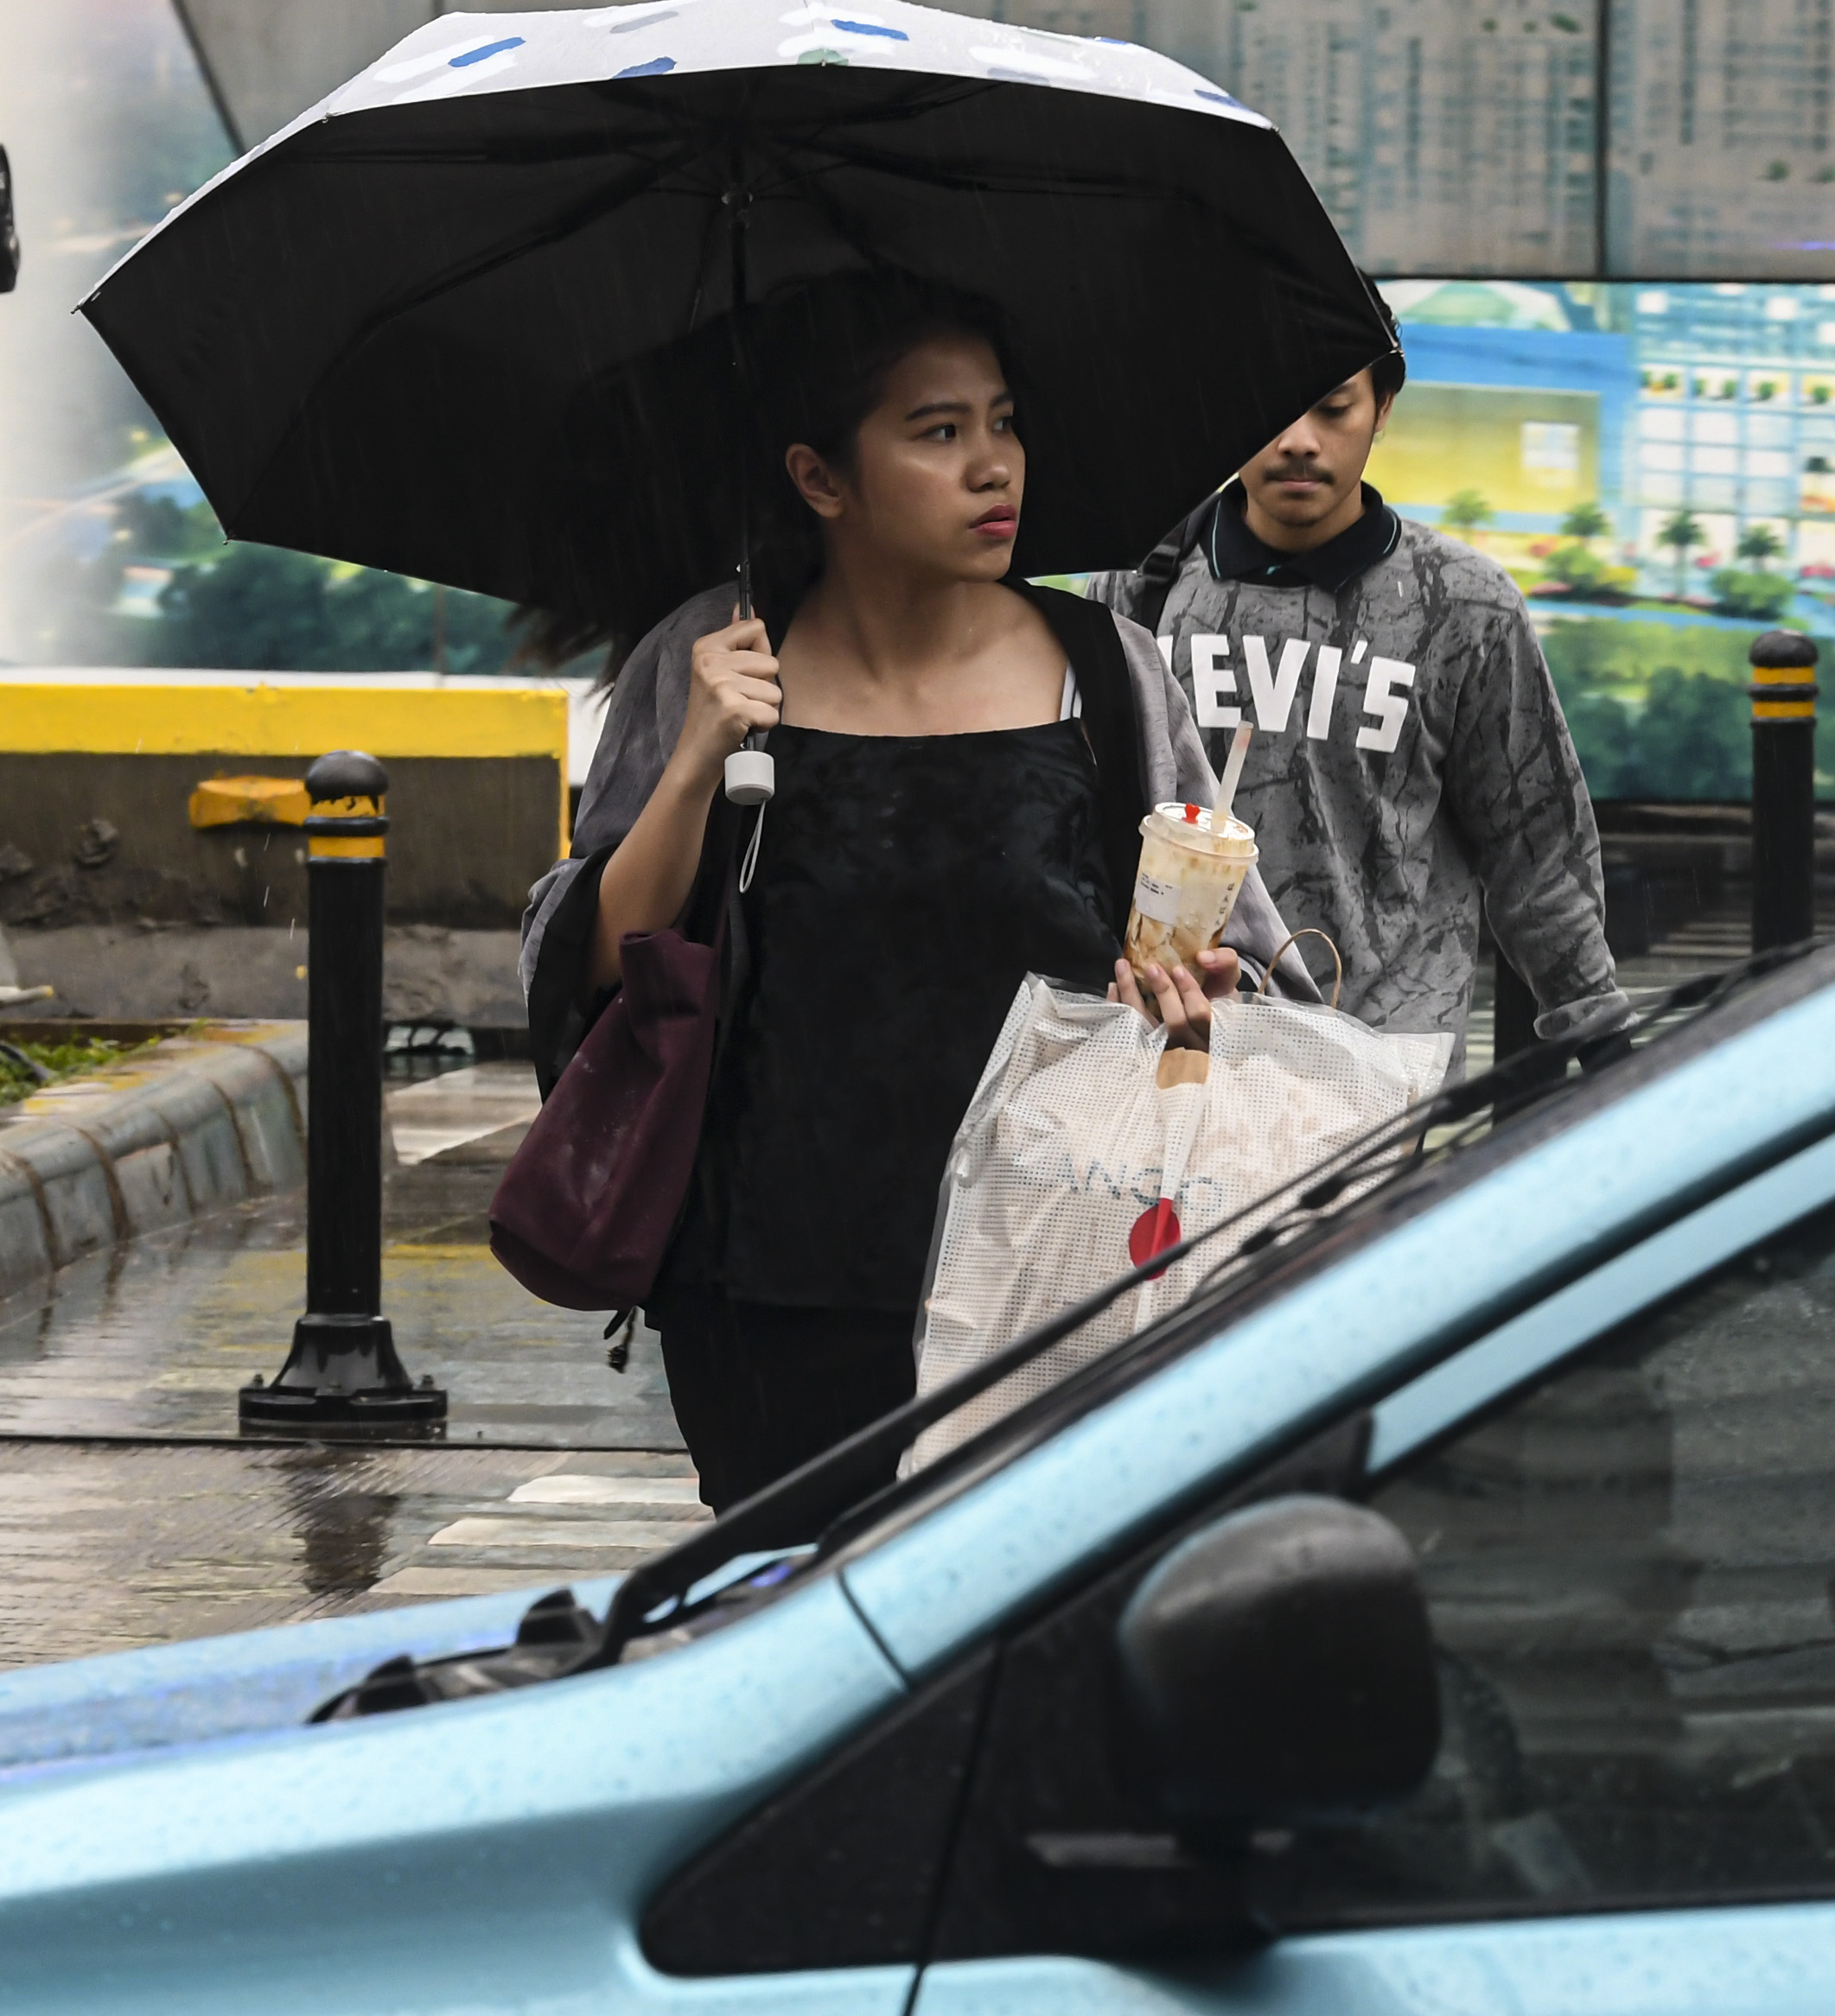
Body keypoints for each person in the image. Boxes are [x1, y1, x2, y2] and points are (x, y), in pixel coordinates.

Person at [520, 278, 1308, 1511]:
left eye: (1003, 423)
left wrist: (1198, 997)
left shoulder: (1104, 669)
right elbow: (600, 963)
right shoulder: (718, 658)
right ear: (819, 476)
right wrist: (695, 757)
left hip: (1055, 1272)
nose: (995, 468)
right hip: (772, 1296)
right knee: (800, 1633)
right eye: (939, 433)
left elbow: (1247, 961)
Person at [1099, 327, 1628, 1066]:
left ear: (1383, 406)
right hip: (1177, 1042)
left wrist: (1602, 1040)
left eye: (1332, 409)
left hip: (1378, 1065)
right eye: (1270, 408)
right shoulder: (1136, 594)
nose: (1298, 441)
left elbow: (1535, 856)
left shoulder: (1464, 608)